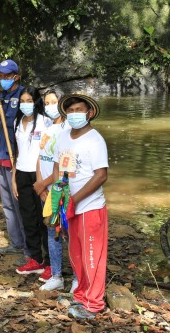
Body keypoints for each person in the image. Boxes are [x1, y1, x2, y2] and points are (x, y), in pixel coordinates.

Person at [54, 93, 109, 320]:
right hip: (68, 204)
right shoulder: (64, 136)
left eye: (79, 110)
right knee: (75, 253)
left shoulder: (95, 140)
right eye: (71, 110)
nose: (74, 114)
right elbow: (61, 168)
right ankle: (81, 295)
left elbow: (101, 175)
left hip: (89, 207)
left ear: (89, 113)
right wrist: (59, 198)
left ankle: (94, 304)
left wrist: (75, 200)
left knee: (91, 256)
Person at [14, 86, 50, 275]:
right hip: (21, 173)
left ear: (36, 102)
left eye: (29, 101)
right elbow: (18, 152)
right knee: (28, 218)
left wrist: (43, 181)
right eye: (22, 101)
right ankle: (35, 259)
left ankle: (51, 262)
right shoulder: (17, 122)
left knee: (44, 218)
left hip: (40, 176)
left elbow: (47, 153)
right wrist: (14, 178)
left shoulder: (45, 123)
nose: (25, 104)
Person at [34, 89, 69, 291]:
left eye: (54, 102)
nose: (50, 106)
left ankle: (76, 276)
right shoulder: (48, 128)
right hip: (45, 189)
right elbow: (41, 157)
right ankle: (56, 275)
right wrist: (40, 184)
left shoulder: (67, 130)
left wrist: (47, 184)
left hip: (60, 189)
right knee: (51, 231)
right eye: (46, 103)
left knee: (66, 232)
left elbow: (62, 166)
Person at [0, 59, 27, 256]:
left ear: (16, 76)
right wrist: (0, 156)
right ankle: (16, 243)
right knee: (7, 204)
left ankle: (29, 246)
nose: (3, 79)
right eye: (1, 75)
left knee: (20, 203)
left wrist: (18, 159)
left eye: (7, 75)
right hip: (5, 157)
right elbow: (1, 130)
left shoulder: (24, 96)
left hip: (18, 160)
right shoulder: (1, 97)